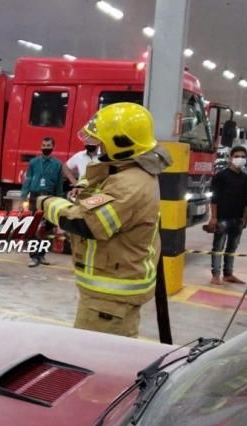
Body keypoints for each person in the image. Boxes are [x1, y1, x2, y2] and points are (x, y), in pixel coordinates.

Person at [36, 103, 171, 337]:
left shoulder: (129, 184)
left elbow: (85, 223)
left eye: (103, 141)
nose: (98, 147)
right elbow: (101, 185)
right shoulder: (127, 171)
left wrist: (47, 203)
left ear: (122, 143)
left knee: (93, 358)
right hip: (109, 293)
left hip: (110, 298)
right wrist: (86, 188)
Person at [207, 146, 247, 285]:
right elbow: (214, 199)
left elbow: (245, 200)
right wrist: (213, 217)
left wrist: (245, 217)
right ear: (230, 157)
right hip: (222, 217)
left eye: (243, 157)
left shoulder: (244, 177)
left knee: (232, 247)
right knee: (218, 246)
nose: (240, 159)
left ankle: (228, 274)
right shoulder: (221, 176)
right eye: (237, 156)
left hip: (237, 218)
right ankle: (216, 275)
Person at [20, 137, 65, 267]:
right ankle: (34, 257)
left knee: (46, 228)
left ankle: (42, 255)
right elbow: (27, 180)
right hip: (35, 197)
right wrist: (24, 196)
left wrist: (59, 201)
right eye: (44, 145)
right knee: (34, 227)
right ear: (41, 146)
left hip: (49, 199)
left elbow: (59, 185)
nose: (46, 147)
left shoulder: (57, 164)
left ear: (53, 147)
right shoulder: (34, 162)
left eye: (48, 145)